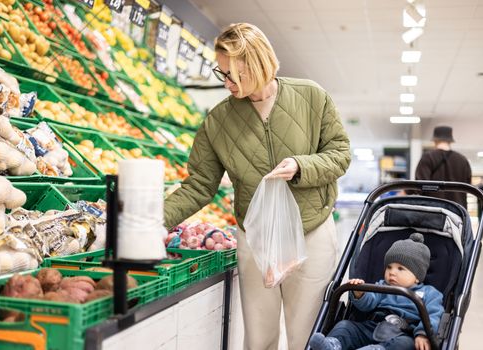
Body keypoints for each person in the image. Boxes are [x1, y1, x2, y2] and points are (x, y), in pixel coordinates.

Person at [163, 23, 351, 350]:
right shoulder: (218, 121)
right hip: (256, 237)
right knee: (259, 338)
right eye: (222, 72)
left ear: (259, 63)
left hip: (312, 233)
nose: (227, 82)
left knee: (307, 337)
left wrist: (301, 165)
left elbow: (340, 154)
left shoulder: (311, 96)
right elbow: (198, 186)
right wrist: (152, 219)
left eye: (234, 73)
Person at [309, 233, 444, 350]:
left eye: (400, 269)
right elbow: (369, 303)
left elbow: (433, 315)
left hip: (403, 333)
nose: (392, 273)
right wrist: (359, 293)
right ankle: (333, 345)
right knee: (345, 326)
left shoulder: (429, 293)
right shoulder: (382, 286)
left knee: (405, 345)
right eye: (389, 267)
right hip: (372, 326)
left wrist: (422, 334)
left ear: (417, 276)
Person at [414, 126, 472, 208]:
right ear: (450, 141)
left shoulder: (428, 157)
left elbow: (419, 186)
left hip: (433, 212)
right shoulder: (463, 160)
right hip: (457, 212)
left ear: (435, 140)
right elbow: (468, 186)